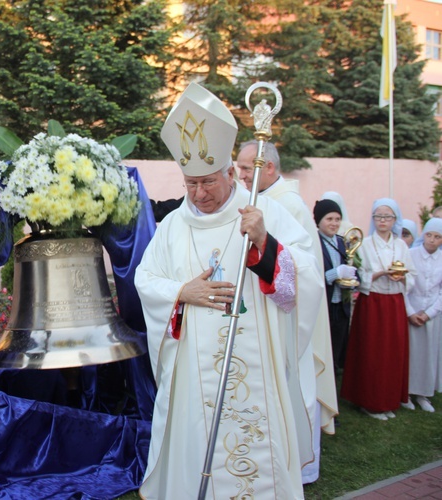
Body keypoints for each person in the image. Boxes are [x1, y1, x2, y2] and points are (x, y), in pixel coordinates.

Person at [136, 82, 323, 499]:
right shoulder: (172, 227)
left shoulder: (264, 211)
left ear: (228, 173)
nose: (199, 194)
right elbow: (145, 281)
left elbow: (305, 277)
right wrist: (182, 292)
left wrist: (264, 244)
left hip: (258, 367)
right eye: (190, 185)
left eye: (207, 182)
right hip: (192, 376)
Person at [237, 140, 338, 484]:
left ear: (269, 168)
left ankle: (299, 466)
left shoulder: (288, 205)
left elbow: (303, 266)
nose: (240, 175)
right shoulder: (253, 200)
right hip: (260, 313)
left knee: (295, 385)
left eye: (247, 169)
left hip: (290, 316)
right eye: (238, 168)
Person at [341, 198, 417, 420]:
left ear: (395, 220)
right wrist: (380, 274)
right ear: (373, 219)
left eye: (388, 216)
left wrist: (401, 276)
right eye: (378, 216)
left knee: (393, 351)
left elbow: (411, 274)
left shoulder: (401, 245)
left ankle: (389, 399)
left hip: (394, 302)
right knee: (372, 351)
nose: (383, 220)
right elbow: (359, 274)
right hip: (372, 301)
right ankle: (369, 401)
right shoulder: (364, 243)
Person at [314, 199, 357, 374]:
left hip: (341, 305)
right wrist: (336, 273)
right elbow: (313, 277)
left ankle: (333, 382)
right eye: (329, 219)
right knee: (322, 347)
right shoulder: (314, 242)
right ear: (319, 221)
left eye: (337, 219)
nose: (334, 223)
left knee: (337, 347)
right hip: (324, 306)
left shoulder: (342, 242)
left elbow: (352, 266)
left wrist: (353, 277)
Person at [404, 218, 442, 412]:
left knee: (429, 354)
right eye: (429, 235)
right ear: (423, 235)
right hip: (412, 310)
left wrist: (429, 313)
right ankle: (407, 392)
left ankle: (424, 394)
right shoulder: (411, 255)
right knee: (411, 353)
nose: (432, 240)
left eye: (437, 237)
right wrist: (411, 313)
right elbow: (404, 287)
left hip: (432, 314)